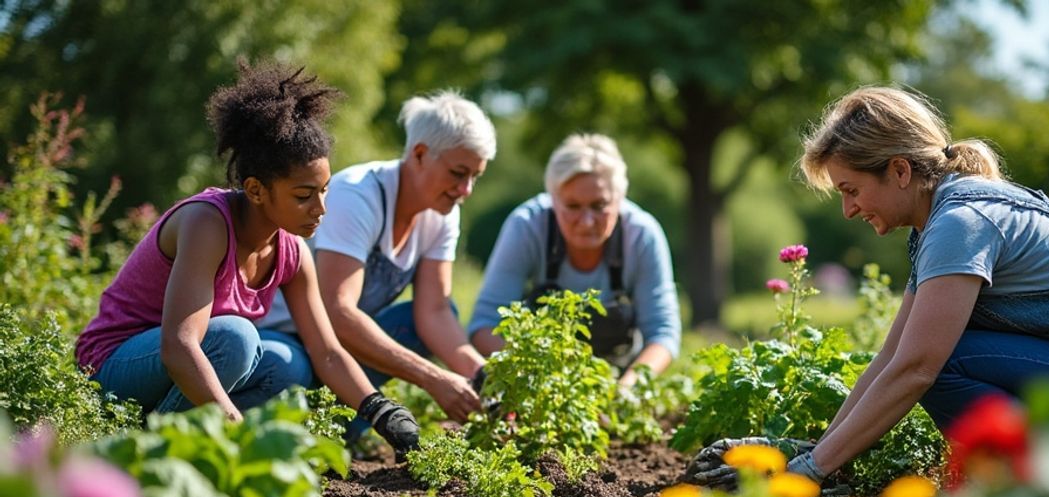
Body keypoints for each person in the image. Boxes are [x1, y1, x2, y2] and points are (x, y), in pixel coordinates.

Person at [689, 85, 1049, 488]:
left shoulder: (960, 222)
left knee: (941, 363)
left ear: (900, 170)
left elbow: (917, 369)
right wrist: (813, 453)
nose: (848, 210)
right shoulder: (937, 225)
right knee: (929, 357)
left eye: (851, 190)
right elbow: (892, 356)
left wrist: (808, 475)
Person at [76, 61, 419, 456]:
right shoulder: (207, 223)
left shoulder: (291, 252)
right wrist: (239, 431)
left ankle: (186, 442)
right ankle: (151, 450)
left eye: (325, 190)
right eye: (304, 195)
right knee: (236, 338)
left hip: (179, 366)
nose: (321, 208)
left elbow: (327, 350)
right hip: (114, 366)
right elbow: (178, 345)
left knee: (289, 366)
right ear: (256, 190)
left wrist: (380, 410)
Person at [259, 91, 493, 430]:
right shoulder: (357, 195)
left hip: (340, 350)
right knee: (286, 366)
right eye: (459, 173)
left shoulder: (442, 212)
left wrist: (483, 377)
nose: (466, 189)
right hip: (290, 336)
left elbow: (435, 312)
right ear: (420, 154)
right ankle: (312, 421)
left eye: (475, 176)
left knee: (429, 319)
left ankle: (341, 423)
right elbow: (337, 312)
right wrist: (432, 377)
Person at [468, 133, 681, 387]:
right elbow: (485, 324)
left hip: (618, 377)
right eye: (572, 206)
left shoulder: (642, 235)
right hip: (539, 378)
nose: (587, 221)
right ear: (553, 200)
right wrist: (537, 381)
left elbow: (662, 332)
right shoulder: (527, 226)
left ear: (619, 199)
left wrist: (627, 390)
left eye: (599, 205)